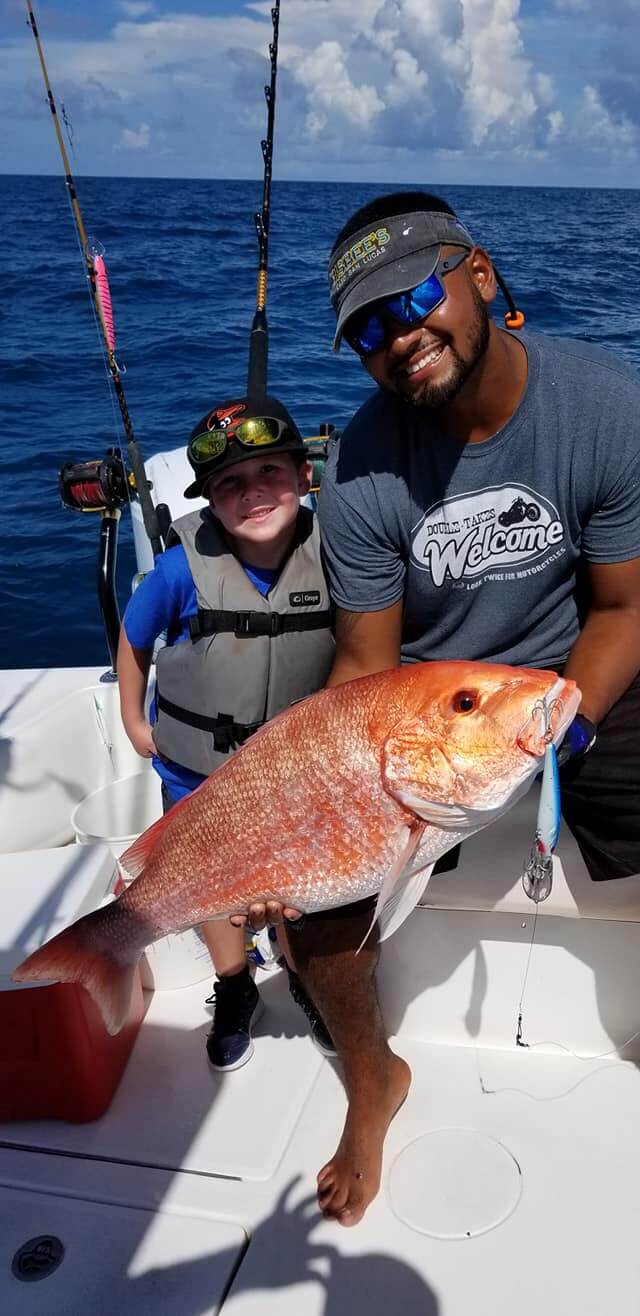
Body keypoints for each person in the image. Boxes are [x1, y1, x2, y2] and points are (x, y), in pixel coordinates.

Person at [236, 190, 640, 1226]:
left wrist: (571, 723)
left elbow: (621, 604)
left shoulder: (601, 402)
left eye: (413, 298)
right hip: (417, 715)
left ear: (479, 273)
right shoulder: (362, 462)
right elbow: (365, 667)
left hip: (558, 684)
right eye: (366, 330)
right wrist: (297, 825)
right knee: (315, 909)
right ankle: (373, 1080)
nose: (397, 338)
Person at [117, 394, 336, 1071]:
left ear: (305, 477)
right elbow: (134, 638)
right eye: (230, 485)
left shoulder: (338, 552)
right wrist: (132, 716)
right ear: (210, 502)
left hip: (294, 778)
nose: (253, 494)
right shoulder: (182, 569)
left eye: (269, 472)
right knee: (215, 893)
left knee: (299, 894)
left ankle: (304, 979)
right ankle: (236, 985)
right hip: (197, 775)